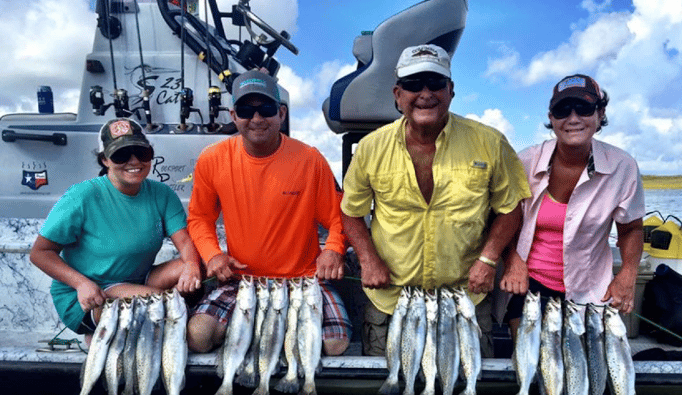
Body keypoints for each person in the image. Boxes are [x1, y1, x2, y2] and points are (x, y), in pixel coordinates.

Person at [341, 44, 531, 357]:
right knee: (389, 389)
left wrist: (489, 259)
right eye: (414, 85)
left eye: (436, 83)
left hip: (464, 299)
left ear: (451, 90)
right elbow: (351, 212)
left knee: (467, 392)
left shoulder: (490, 142)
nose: (426, 93)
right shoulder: (371, 148)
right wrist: (368, 259)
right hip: (392, 300)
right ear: (398, 94)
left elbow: (510, 208)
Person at [186, 69, 351, 355]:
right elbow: (200, 217)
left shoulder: (310, 158)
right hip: (243, 280)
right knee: (199, 336)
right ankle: (267, 334)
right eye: (246, 110)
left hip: (305, 279)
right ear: (233, 114)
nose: (257, 119)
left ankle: (263, 335)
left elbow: (339, 217)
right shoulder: (212, 159)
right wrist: (212, 255)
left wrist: (334, 249)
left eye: (266, 109)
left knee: (335, 345)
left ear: (282, 113)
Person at [29, 118, 202, 342]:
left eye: (141, 152)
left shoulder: (162, 193)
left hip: (138, 280)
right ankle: (105, 331)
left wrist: (191, 266)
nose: (134, 161)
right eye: (121, 155)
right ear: (105, 160)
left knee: (198, 268)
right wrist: (81, 284)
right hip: (89, 292)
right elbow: (39, 253)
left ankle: (125, 332)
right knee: (159, 303)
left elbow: (185, 242)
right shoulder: (82, 196)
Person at [500, 74, 645, 339]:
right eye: (562, 110)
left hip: (589, 290)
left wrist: (627, 274)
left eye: (585, 108)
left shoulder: (623, 166)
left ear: (600, 114)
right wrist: (513, 261)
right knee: (532, 370)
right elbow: (504, 219)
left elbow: (631, 228)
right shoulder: (526, 162)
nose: (573, 118)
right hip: (529, 287)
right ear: (551, 118)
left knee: (584, 374)